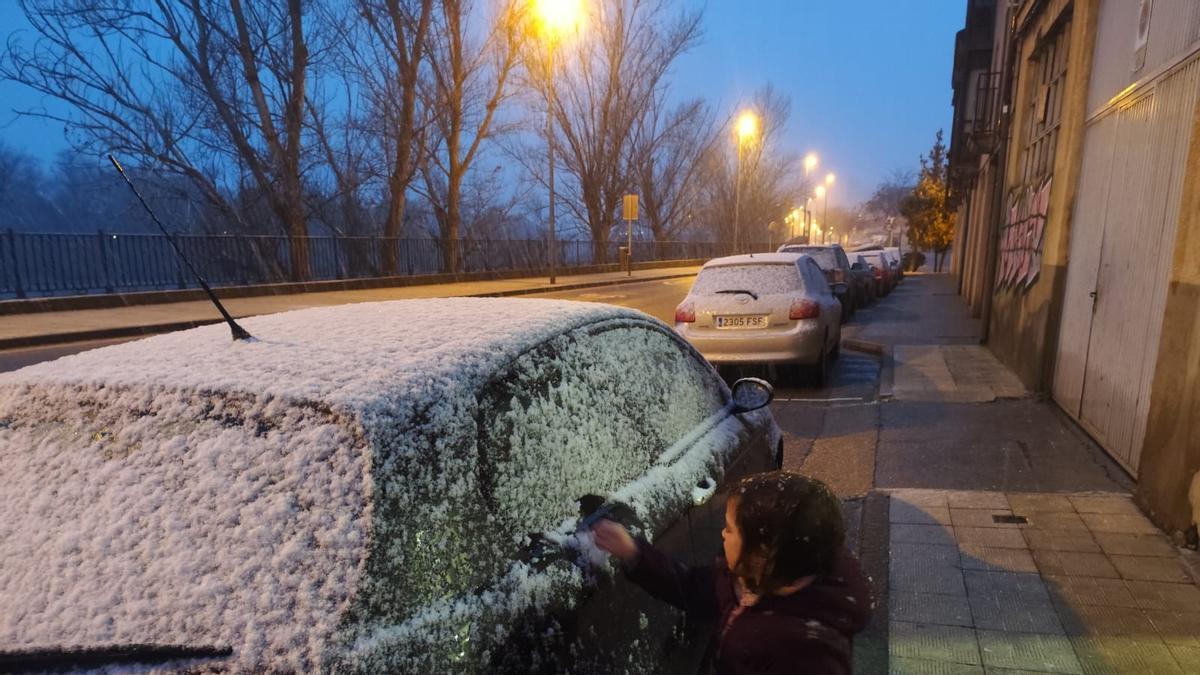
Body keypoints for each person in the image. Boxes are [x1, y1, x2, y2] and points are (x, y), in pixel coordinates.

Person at [591, 471, 873, 674]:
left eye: (730, 528)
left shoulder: (805, 652)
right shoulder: (750, 579)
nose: (722, 534)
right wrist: (634, 553)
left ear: (765, 553)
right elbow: (693, 589)